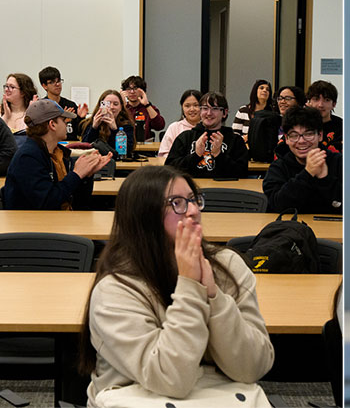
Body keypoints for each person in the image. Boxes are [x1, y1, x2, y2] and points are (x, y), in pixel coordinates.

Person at [79, 165, 274, 405]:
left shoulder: (227, 265)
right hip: (135, 397)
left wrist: (214, 296)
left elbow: (253, 367)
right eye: (177, 203)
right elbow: (171, 379)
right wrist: (191, 287)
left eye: (193, 200)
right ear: (144, 216)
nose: (192, 211)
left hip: (220, 397)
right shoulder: (116, 288)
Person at [2, 100, 112, 210]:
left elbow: (77, 201)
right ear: (52, 124)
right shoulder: (28, 158)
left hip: (60, 221)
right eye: (64, 121)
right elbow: (48, 201)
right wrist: (76, 174)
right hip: (35, 225)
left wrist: (86, 175)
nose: (67, 124)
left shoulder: (58, 153)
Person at [262, 106, 342, 214]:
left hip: (331, 229)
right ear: (287, 139)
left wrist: (325, 180)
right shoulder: (278, 168)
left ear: (320, 135)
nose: (301, 141)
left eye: (308, 134)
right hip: (291, 229)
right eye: (294, 135)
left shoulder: (339, 163)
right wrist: (307, 173)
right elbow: (278, 206)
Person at [166, 92, 248, 179]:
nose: (209, 113)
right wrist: (196, 155)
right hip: (192, 190)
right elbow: (169, 171)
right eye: (205, 108)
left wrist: (218, 154)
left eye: (215, 109)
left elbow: (241, 174)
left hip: (224, 190)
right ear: (200, 111)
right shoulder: (185, 137)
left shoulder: (235, 140)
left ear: (224, 113)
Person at [80, 90, 135, 156]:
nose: (111, 107)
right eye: (108, 104)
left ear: (121, 107)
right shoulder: (90, 123)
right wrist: (94, 128)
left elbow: (127, 150)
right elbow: (84, 148)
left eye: (115, 104)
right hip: (94, 160)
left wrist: (115, 130)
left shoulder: (127, 125)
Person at [157, 89, 202, 158]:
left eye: (196, 105)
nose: (192, 109)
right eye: (187, 106)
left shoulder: (208, 127)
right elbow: (164, 154)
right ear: (182, 108)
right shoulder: (174, 127)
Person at [38, 66, 84, 133]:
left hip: (71, 142)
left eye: (58, 81)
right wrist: (62, 121)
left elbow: (80, 132)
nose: (57, 84)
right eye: (52, 82)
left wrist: (81, 117)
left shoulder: (70, 105)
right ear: (44, 86)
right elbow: (42, 132)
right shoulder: (41, 106)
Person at [120, 75, 164, 142]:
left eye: (135, 88)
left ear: (142, 91)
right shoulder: (122, 108)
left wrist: (147, 104)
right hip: (124, 146)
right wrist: (121, 104)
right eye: (129, 89)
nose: (132, 92)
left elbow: (159, 126)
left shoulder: (148, 108)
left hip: (144, 149)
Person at [305, 80, 342, 153]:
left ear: (334, 104)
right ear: (309, 102)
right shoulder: (301, 124)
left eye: (327, 100)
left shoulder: (343, 127)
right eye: (316, 99)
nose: (321, 105)